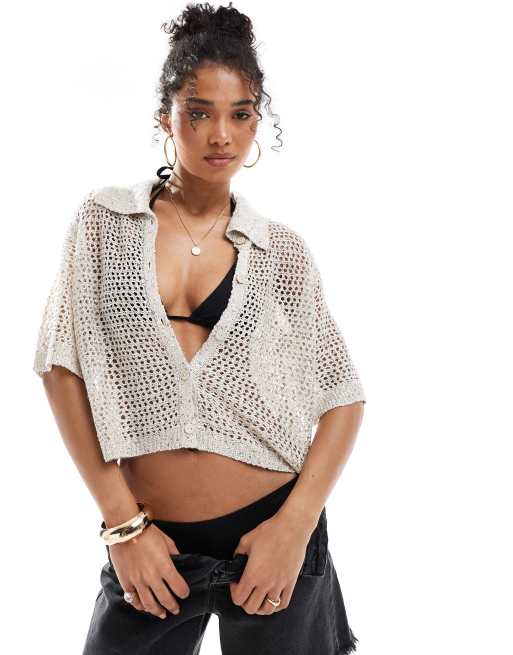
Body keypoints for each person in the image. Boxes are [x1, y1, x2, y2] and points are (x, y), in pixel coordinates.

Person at [33, 3, 367, 653]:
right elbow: (60, 366)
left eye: (240, 114)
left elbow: (342, 396)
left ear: (257, 121)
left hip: (272, 542)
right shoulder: (104, 222)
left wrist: (294, 527)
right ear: (166, 117)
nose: (221, 135)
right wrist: (122, 525)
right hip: (151, 545)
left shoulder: (281, 252)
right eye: (199, 112)